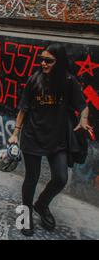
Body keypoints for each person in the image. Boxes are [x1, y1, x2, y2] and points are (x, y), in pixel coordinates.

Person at [8, 44, 92, 237]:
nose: (43, 63)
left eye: (48, 60)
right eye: (42, 59)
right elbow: (23, 108)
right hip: (33, 135)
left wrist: (84, 118)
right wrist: (15, 133)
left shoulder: (69, 81)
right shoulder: (34, 80)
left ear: (59, 62)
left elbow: (83, 105)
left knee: (61, 177)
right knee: (32, 178)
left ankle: (42, 204)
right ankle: (26, 214)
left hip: (58, 138)